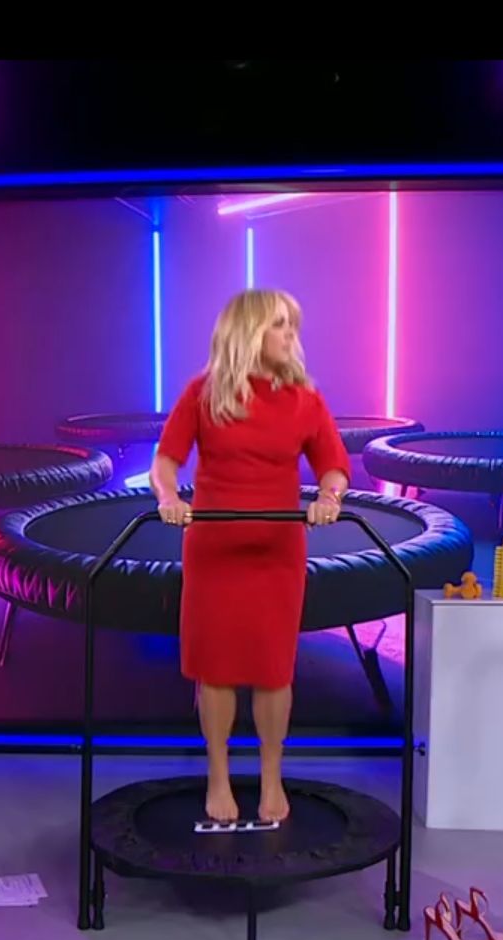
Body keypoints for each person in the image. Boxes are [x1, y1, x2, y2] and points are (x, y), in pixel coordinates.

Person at [150, 290, 350, 825]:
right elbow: (165, 461)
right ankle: (217, 778)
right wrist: (169, 498)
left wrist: (329, 498)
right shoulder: (203, 392)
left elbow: (333, 466)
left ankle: (270, 778)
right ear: (249, 331)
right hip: (215, 550)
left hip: (277, 553)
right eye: (280, 325)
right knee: (214, 668)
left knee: (272, 669)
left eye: (293, 326)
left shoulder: (305, 398)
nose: (291, 336)